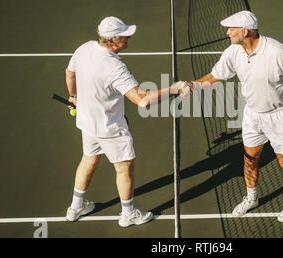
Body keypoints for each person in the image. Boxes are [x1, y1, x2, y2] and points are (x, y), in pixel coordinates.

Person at [185, 11, 283, 222]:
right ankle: (252, 198)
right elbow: (215, 76)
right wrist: (193, 86)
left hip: (280, 115)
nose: (227, 32)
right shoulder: (233, 51)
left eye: (231, 28)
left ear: (245, 31)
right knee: (250, 159)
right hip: (253, 114)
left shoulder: (276, 52)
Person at [64, 16, 190, 227]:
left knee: (88, 159)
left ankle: (76, 208)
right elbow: (142, 101)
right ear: (112, 41)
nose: (128, 38)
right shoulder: (114, 67)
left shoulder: (84, 48)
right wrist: (175, 89)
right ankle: (128, 214)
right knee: (124, 168)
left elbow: (69, 73)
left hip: (87, 122)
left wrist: (74, 96)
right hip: (110, 128)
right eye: (124, 36)